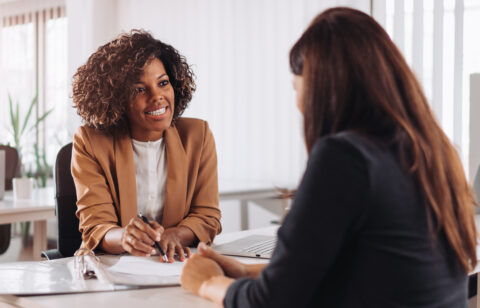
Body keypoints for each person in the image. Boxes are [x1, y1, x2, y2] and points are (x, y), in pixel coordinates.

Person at [180, 7, 477, 307]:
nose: (297, 103)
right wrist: (245, 270)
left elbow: (270, 303)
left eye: (296, 87)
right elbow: (367, 270)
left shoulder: (345, 157)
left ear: (320, 87)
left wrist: (206, 282)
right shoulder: (436, 151)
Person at [71, 30, 221, 262]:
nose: (157, 97)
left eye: (163, 83)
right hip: (111, 269)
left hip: (174, 265)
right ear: (117, 99)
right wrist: (124, 237)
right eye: (139, 89)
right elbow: (96, 226)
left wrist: (175, 235)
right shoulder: (90, 141)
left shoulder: (197, 136)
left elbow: (207, 216)